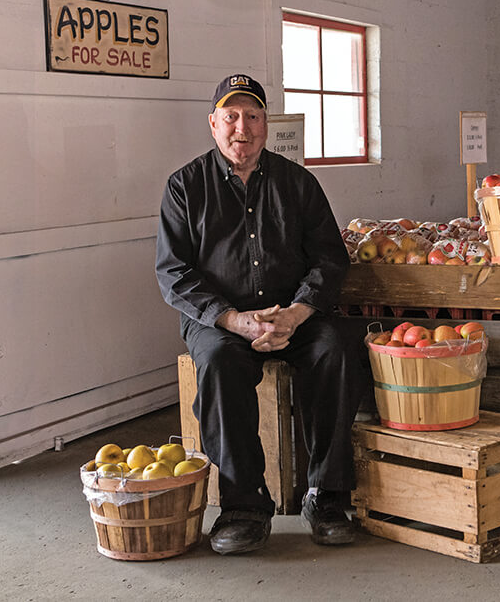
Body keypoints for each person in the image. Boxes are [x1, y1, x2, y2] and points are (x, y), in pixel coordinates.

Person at [155, 74, 364, 554]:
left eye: (252, 116)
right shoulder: (185, 187)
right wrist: (234, 319)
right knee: (218, 364)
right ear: (213, 124)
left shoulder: (298, 183)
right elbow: (174, 273)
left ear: (266, 124)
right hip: (221, 322)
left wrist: (296, 313)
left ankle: (326, 496)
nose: (241, 128)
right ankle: (243, 505)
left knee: (336, 349)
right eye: (231, 117)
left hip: (293, 315)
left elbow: (330, 258)